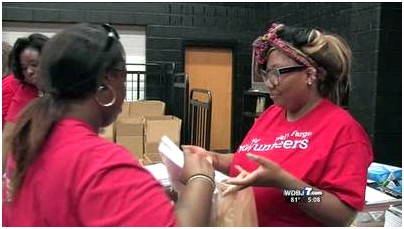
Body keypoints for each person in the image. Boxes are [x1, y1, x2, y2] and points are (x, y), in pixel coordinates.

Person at [2, 23, 215, 227]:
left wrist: (140, 194)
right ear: (106, 82)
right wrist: (201, 178)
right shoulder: (100, 163)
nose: (124, 86)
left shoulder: (27, 139)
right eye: (123, 76)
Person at [183, 22, 373, 227]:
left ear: (310, 74)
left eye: (276, 72)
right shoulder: (271, 114)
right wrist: (214, 158)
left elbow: (342, 214)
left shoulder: (343, 130)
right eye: (266, 74)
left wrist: (284, 184)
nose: (269, 83)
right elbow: (250, 162)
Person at [2, 34, 49, 170]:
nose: (29, 71)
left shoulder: (65, 88)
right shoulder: (26, 89)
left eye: (34, 65)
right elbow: (8, 135)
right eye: (24, 67)